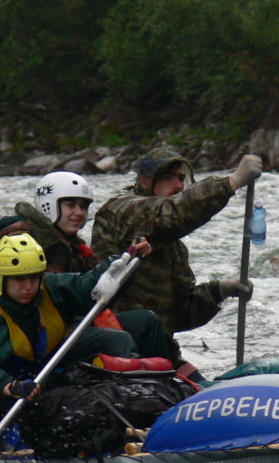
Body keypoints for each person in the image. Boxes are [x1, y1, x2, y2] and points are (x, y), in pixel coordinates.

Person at [0, 233, 172, 450]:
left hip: (28, 373)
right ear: (1, 278)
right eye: (19, 280)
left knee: (115, 341)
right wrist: (11, 386)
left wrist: (123, 262)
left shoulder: (45, 288)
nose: (28, 287)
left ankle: (139, 411)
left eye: (34, 277)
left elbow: (86, 287)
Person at [90, 147, 262, 347]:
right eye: (168, 178)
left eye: (181, 178)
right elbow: (172, 213)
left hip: (157, 348)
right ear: (144, 181)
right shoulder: (120, 210)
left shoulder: (172, 244)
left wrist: (219, 291)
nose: (178, 185)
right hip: (116, 347)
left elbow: (181, 314)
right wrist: (232, 182)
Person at [0, 170, 97, 274]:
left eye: (83, 206)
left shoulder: (73, 245)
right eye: (70, 205)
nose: (80, 212)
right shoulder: (27, 243)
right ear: (48, 206)